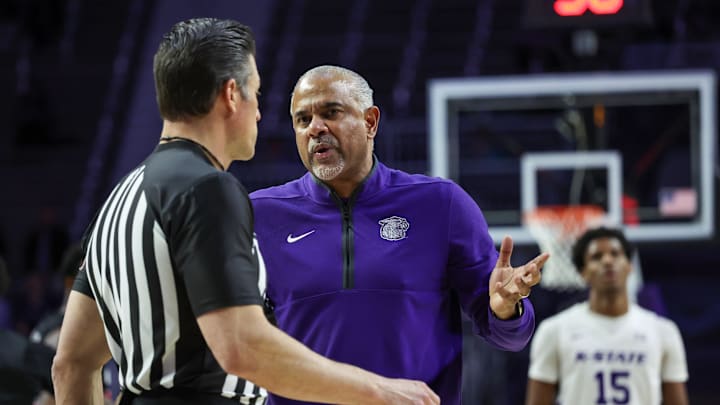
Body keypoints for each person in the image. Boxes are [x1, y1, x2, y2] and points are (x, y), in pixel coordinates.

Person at [51, 19, 439, 405]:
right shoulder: (207, 188)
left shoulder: (120, 199)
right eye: (256, 93)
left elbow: (70, 365)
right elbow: (241, 346)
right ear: (231, 94)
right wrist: (379, 390)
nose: (258, 112)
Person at [249, 65, 550, 405]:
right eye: (303, 120)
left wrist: (506, 308)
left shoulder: (441, 204)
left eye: (331, 112)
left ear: (370, 122)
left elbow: (510, 338)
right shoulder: (259, 214)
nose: (316, 128)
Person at [525, 227, 689, 405]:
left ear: (629, 266)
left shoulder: (663, 331)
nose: (608, 261)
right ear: (583, 272)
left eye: (616, 254)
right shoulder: (554, 330)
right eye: (596, 257)